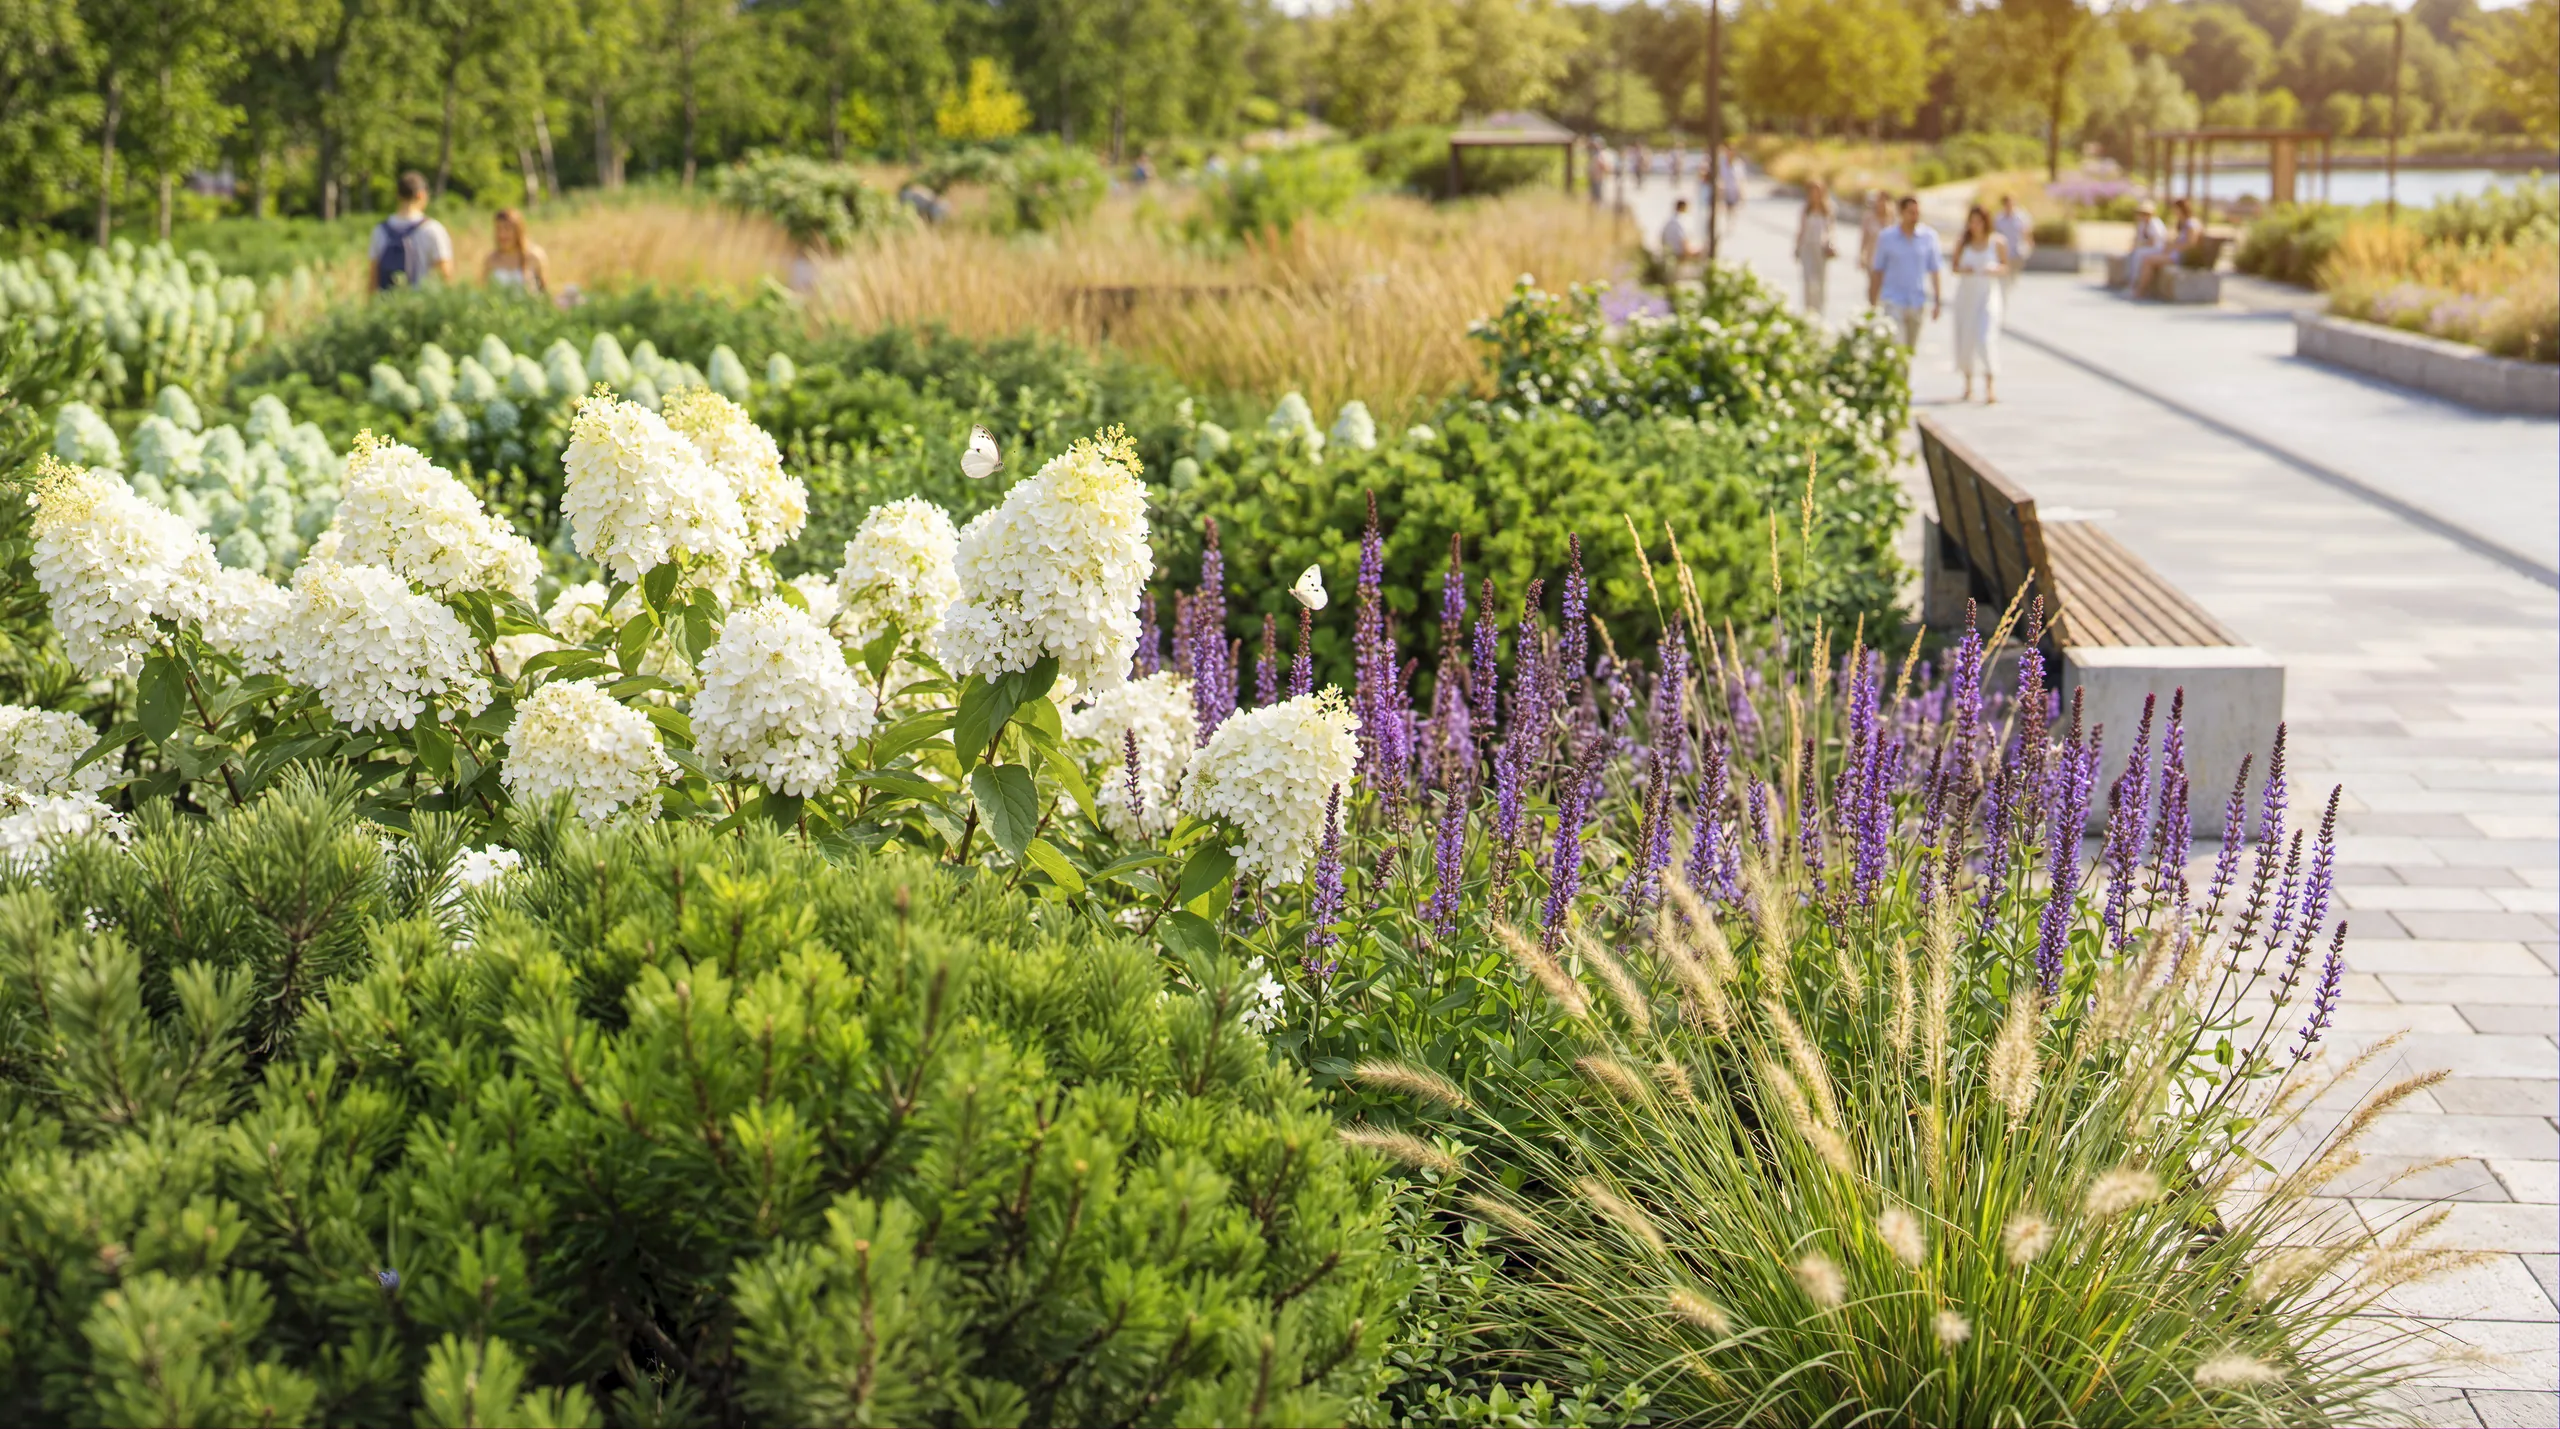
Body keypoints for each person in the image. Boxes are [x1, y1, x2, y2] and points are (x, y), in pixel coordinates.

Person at [1868, 194, 1942, 351]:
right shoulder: (1887, 237)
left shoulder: (1929, 237)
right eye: (1911, 212)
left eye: (1917, 212)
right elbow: (1878, 271)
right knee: (1897, 347)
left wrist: (1937, 300)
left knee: (1909, 350)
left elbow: (1935, 270)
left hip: (1917, 301)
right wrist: (1873, 303)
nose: (1915, 216)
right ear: (1901, 213)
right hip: (1893, 301)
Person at [1952, 205, 2009, 403]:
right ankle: (1968, 385)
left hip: (1987, 295)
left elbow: (2005, 266)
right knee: (1966, 339)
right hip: (1966, 296)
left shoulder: (1997, 241)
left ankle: (1990, 386)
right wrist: (1964, 269)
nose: (1975, 225)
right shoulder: (1963, 242)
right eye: (1972, 221)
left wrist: (1994, 269)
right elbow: (1954, 266)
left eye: (1979, 221)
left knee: (1985, 338)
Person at [370, 171, 453, 294]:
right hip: (421, 303)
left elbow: (373, 280)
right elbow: (445, 274)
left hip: (387, 304)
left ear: (398, 196)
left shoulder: (380, 231)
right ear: (421, 195)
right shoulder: (433, 229)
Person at [2134, 197, 2201, 299]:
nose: (2174, 212)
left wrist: (2174, 247)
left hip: (2182, 256)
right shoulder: (2183, 223)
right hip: (2175, 253)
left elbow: (2190, 244)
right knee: (2145, 257)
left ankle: (2141, 291)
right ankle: (2142, 288)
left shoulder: (2191, 224)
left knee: (2148, 260)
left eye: (2175, 209)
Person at [1794, 179, 1836, 318]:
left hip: (1821, 249)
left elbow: (1831, 229)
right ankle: (1808, 310)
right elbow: (1801, 230)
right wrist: (1797, 247)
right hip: (1807, 248)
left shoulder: (1828, 209)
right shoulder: (1806, 209)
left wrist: (1830, 243)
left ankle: (1819, 310)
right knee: (1808, 280)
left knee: (1820, 280)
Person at [484, 209, 548, 296]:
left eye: (507, 229)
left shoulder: (535, 256)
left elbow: (544, 293)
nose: (502, 234)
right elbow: (484, 292)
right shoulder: (491, 259)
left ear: (518, 231)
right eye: (499, 229)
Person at [2121, 199, 2170, 295]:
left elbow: (2153, 242)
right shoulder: (2142, 224)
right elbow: (2137, 238)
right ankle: (2129, 282)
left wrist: (2140, 244)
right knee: (2132, 255)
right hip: (2145, 248)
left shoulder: (2155, 223)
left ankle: (2135, 283)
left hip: (2157, 248)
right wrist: (2135, 245)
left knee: (2138, 255)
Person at [1993, 194, 2032, 309]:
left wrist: (2029, 244)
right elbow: (1995, 234)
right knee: (2003, 280)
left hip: (2017, 253)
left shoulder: (2021, 217)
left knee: (2013, 278)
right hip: (2004, 254)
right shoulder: (1999, 219)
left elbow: (2026, 232)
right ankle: (2002, 300)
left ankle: (2007, 294)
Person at [1857, 191, 1890, 276]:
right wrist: (1862, 255)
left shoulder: (1892, 219)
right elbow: (1864, 237)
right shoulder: (1869, 217)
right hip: (1872, 258)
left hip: (1888, 260)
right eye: (1879, 200)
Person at [1660, 197, 1698, 264]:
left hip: (1669, 257)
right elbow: (1684, 242)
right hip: (1681, 257)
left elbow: (1662, 239)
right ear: (1684, 208)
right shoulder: (1683, 220)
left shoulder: (1669, 221)